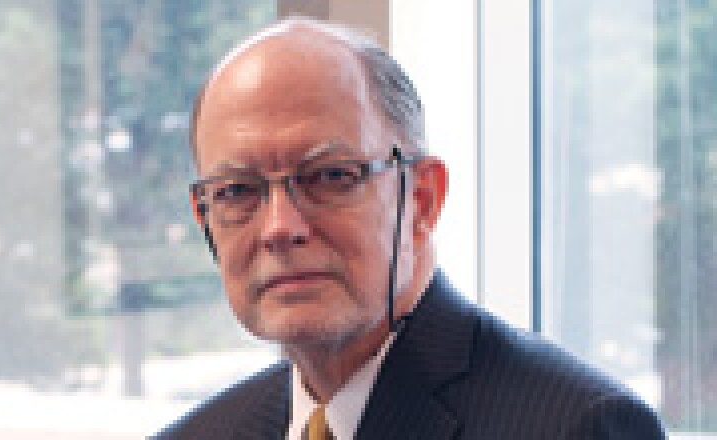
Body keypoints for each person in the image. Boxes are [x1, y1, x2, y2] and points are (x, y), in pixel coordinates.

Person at [153, 18, 666, 440]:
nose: (280, 228)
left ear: (421, 199)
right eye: (237, 191)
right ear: (205, 218)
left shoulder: (580, 427)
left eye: (331, 177)